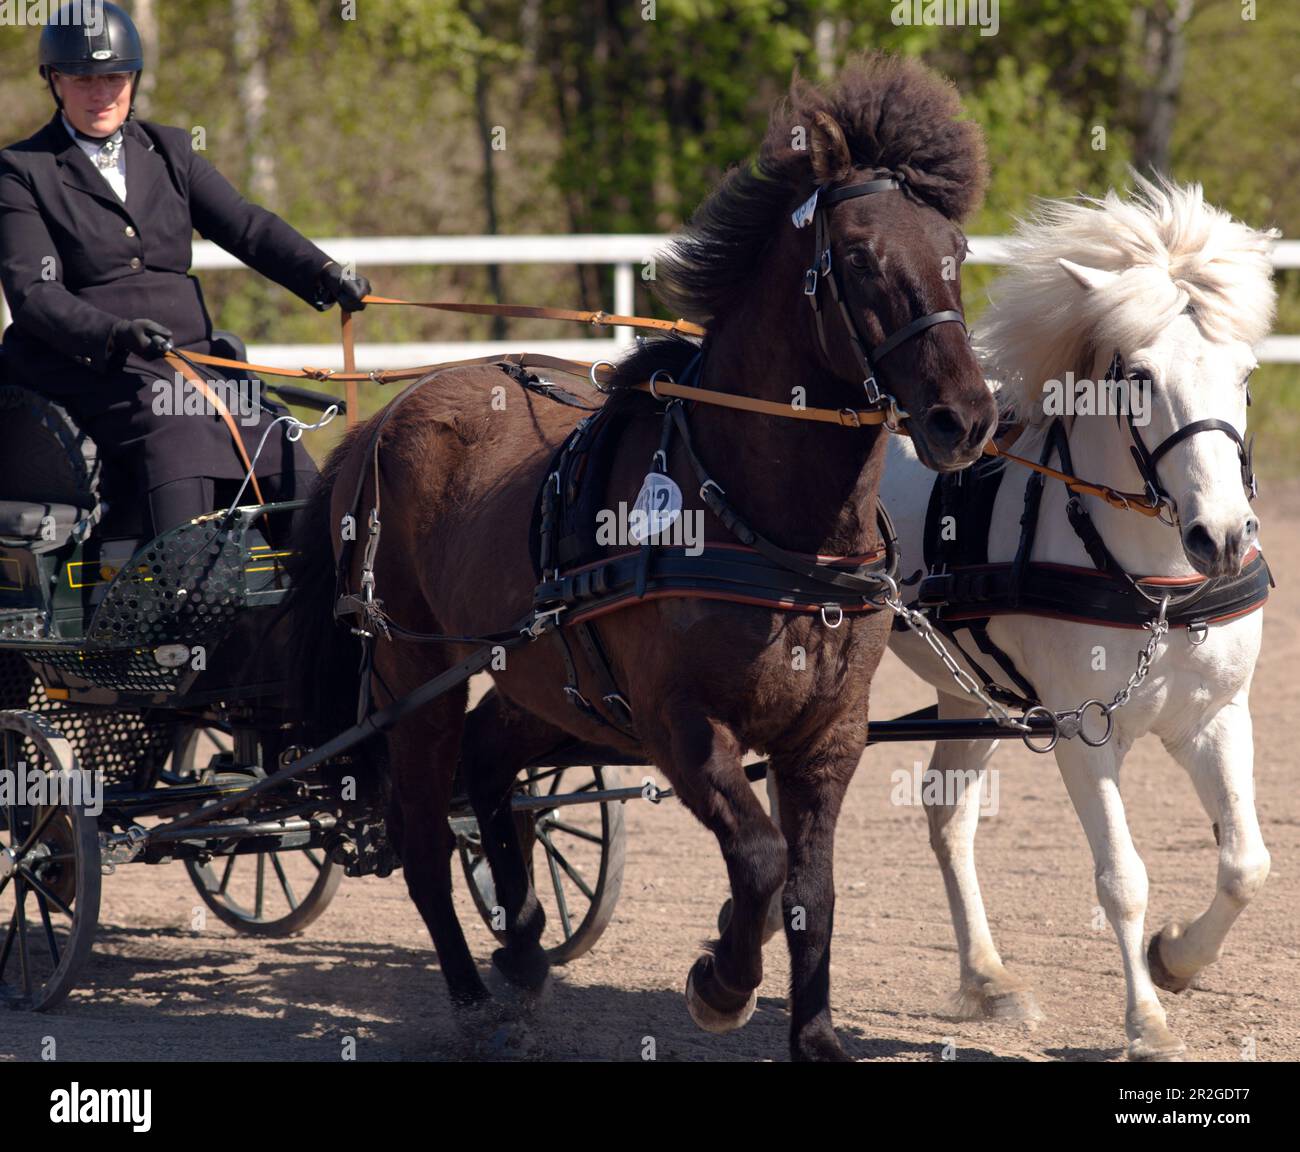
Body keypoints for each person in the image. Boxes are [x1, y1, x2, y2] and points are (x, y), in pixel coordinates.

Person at [0, 2, 371, 538]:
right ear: (54, 81)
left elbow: (246, 226)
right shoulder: (22, 171)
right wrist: (114, 333)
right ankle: (183, 593)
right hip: (92, 367)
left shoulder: (171, 151)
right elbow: (34, 293)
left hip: (190, 358)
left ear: (134, 79)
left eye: (113, 77)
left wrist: (324, 272)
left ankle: (317, 589)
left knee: (273, 430)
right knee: (175, 424)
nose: (100, 93)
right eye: (83, 80)